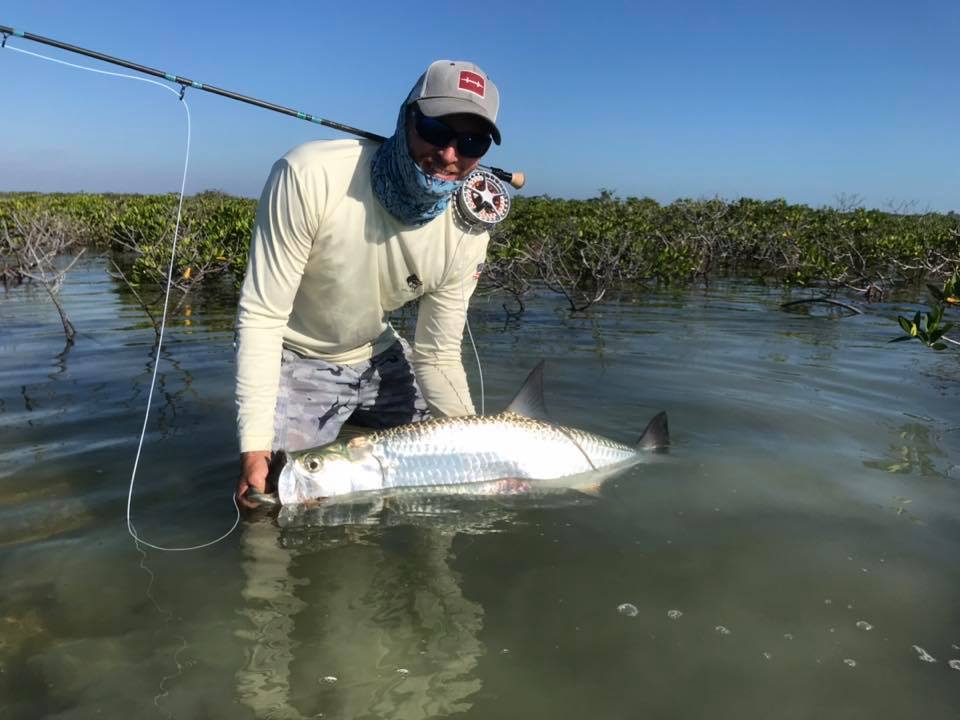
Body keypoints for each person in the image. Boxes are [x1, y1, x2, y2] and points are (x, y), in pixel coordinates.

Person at [234, 60, 502, 504]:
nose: (451, 155)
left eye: (472, 142)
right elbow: (262, 317)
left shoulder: (470, 227)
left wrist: (471, 449)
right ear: (406, 117)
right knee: (276, 499)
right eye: (436, 130)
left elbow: (436, 355)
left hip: (380, 353)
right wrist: (254, 448)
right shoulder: (309, 175)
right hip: (298, 354)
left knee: (448, 485)